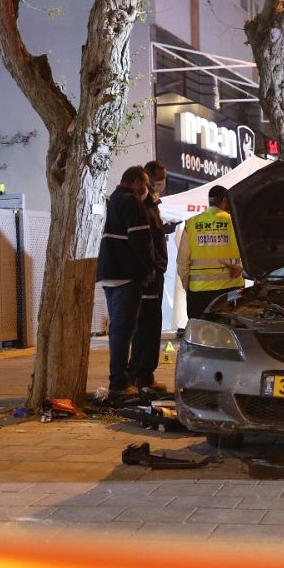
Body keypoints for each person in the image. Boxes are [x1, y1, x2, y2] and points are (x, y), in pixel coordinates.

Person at [96, 166, 154, 401]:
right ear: (137, 181)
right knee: (122, 331)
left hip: (110, 273)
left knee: (118, 330)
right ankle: (119, 384)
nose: (147, 189)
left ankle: (120, 381)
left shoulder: (112, 200)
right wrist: (149, 269)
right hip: (127, 275)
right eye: (146, 184)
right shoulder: (131, 202)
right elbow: (140, 241)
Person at [128, 161, 175, 393]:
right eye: (159, 177)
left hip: (153, 272)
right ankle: (142, 375)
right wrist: (152, 268)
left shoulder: (152, 205)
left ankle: (141, 374)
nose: (162, 182)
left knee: (148, 325)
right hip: (149, 275)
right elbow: (143, 242)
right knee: (147, 325)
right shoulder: (143, 205)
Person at [179, 184, 245, 322]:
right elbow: (249, 255)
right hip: (231, 291)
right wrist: (242, 269)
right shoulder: (236, 222)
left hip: (199, 293)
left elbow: (182, 262)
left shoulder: (192, 223)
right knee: (229, 335)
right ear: (225, 201)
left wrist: (189, 288)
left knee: (200, 335)